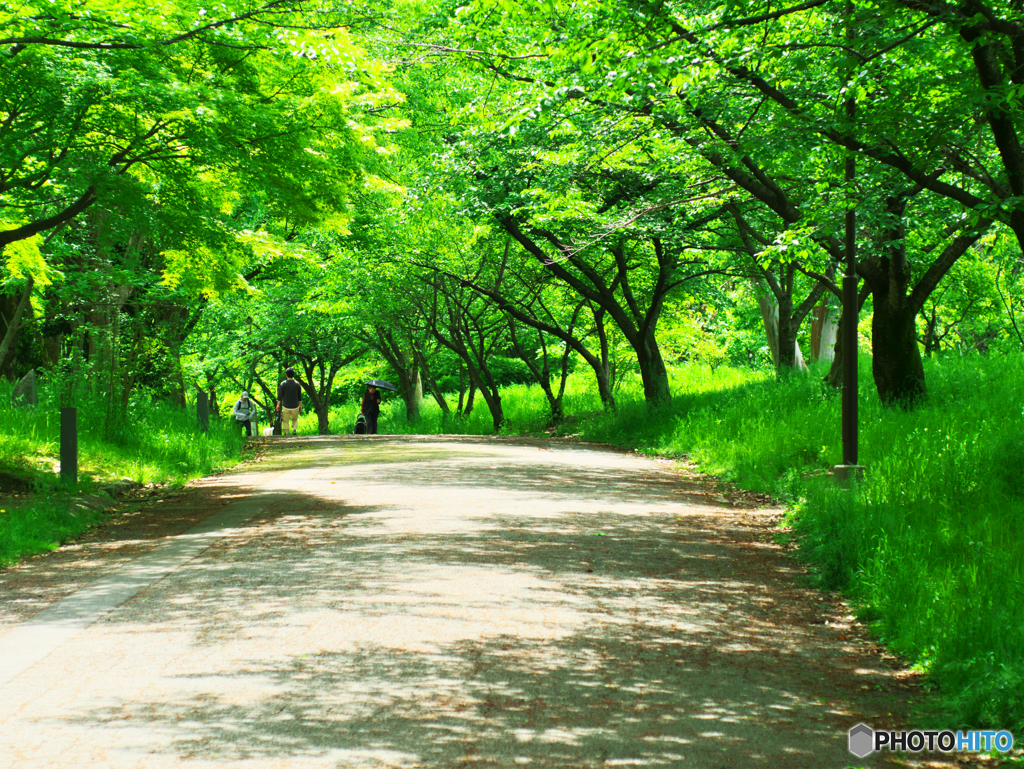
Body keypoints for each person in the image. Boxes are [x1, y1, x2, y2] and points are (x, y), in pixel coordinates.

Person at [276, 367, 303, 436]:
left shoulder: (283, 384)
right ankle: (294, 430)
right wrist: (300, 405)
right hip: (295, 406)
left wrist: (278, 405)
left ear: (286, 375)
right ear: (293, 374)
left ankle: (287, 434)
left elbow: (280, 396)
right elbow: (299, 396)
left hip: (286, 406)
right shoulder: (297, 384)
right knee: (294, 419)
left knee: (285, 421)